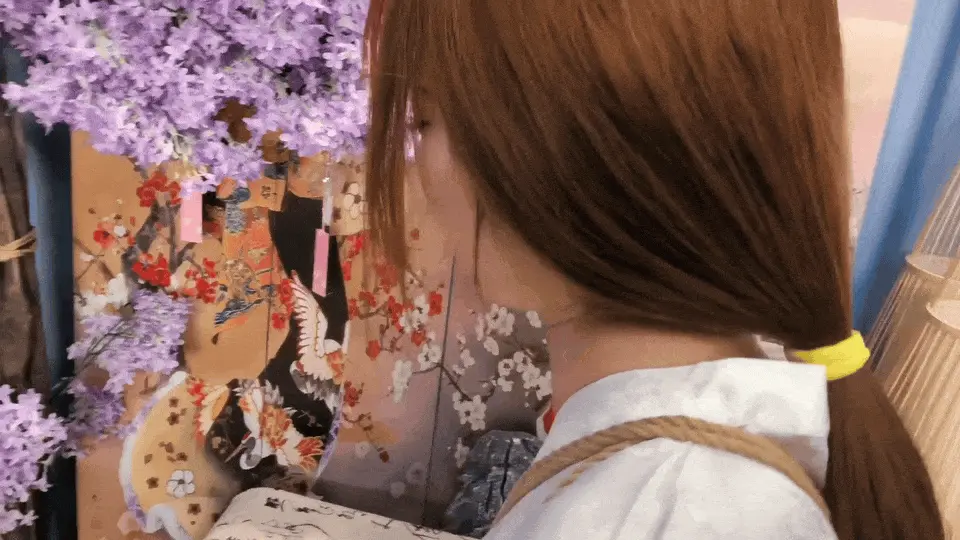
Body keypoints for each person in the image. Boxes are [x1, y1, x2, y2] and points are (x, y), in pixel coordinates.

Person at [363, 1, 945, 539]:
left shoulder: (668, 508)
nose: (419, 166)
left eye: (425, 119)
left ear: (566, 144)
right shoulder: (663, 481)